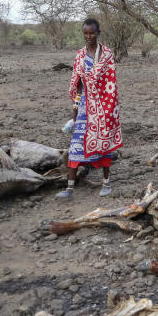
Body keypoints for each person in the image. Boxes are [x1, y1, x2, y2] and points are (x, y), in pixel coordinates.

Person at [57, 18, 122, 199]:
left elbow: (110, 84)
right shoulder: (80, 55)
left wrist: (108, 110)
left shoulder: (107, 54)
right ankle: (69, 189)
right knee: (76, 145)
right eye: (85, 33)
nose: (88, 36)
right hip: (85, 106)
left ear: (98, 33)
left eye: (92, 33)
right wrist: (76, 107)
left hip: (103, 106)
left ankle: (106, 184)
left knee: (104, 145)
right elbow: (78, 84)